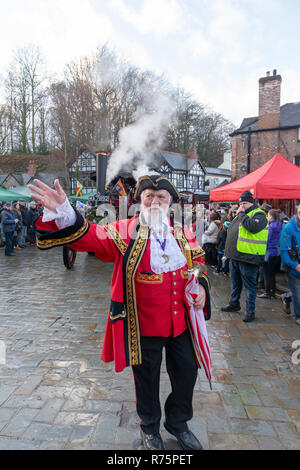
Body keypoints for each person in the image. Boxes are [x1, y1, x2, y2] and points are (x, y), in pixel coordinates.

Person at [29, 175, 211, 451]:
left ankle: (178, 422)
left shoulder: (182, 233)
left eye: (161, 197)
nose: (155, 201)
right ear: (140, 200)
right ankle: (149, 428)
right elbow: (92, 239)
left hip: (181, 324)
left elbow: (198, 262)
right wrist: (65, 210)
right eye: (149, 195)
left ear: (171, 202)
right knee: (147, 380)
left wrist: (202, 287)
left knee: (187, 373)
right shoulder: (125, 230)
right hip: (144, 326)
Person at [221, 190, 269, 322]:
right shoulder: (241, 215)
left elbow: (252, 227)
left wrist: (241, 214)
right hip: (235, 256)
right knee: (235, 284)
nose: (241, 206)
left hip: (249, 257)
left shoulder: (259, 214)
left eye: (245, 203)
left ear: (252, 203)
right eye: (240, 203)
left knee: (250, 286)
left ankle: (250, 311)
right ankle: (234, 304)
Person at [280, 204, 300, 326]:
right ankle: (298, 316)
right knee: (298, 292)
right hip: (293, 266)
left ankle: (286, 297)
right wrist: (295, 265)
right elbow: (284, 252)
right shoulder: (288, 228)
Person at [258, 209, 282, 299]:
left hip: (268, 252)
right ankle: (273, 291)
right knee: (272, 273)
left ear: (271, 216)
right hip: (275, 252)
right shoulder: (278, 225)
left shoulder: (270, 226)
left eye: (268, 215)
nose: (267, 217)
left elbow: (266, 239)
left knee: (266, 273)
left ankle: (267, 292)